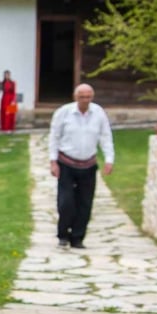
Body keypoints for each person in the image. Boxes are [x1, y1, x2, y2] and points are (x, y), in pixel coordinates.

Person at [48, 83, 114, 249]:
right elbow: (54, 137)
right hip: (67, 163)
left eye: (88, 97)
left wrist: (109, 159)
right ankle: (63, 234)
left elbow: (105, 136)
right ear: (75, 97)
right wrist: (53, 161)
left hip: (88, 164)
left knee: (85, 203)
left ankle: (77, 237)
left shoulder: (98, 113)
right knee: (66, 202)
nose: (85, 100)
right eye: (82, 97)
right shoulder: (64, 113)